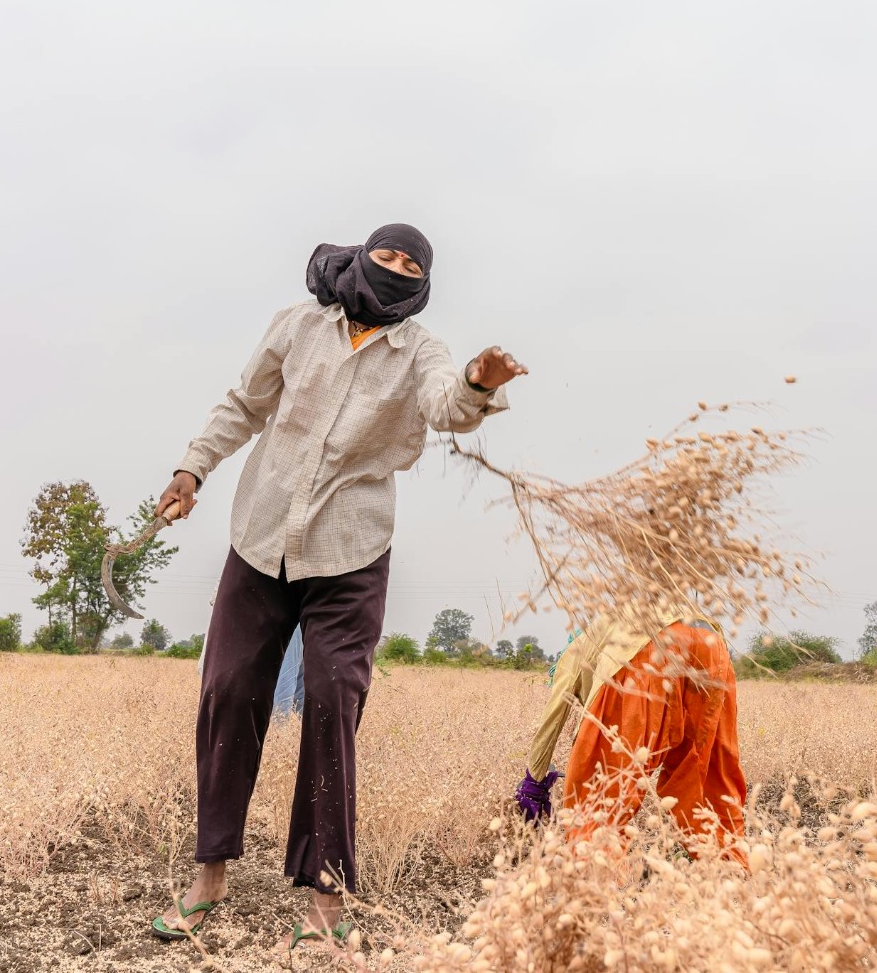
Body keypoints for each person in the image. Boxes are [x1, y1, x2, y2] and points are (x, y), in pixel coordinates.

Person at [148, 224, 526, 950]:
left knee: (330, 700)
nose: (394, 270)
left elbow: (448, 405)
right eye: (385, 255)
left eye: (411, 265)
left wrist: (481, 382)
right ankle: (209, 877)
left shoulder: (420, 351)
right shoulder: (297, 326)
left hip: (350, 555)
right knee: (228, 691)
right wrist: (193, 468)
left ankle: (326, 895)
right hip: (261, 541)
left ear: (422, 285)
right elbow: (243, 405)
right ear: (358, 258)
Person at [515, 612, 746, 859]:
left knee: (596, 794)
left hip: (644, 647)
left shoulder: (579, 648)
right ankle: (730, 870)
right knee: (706, 776)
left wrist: (534, 781)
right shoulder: (609, 622)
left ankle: (598, 881)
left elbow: (554, 714)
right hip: (710, 644)